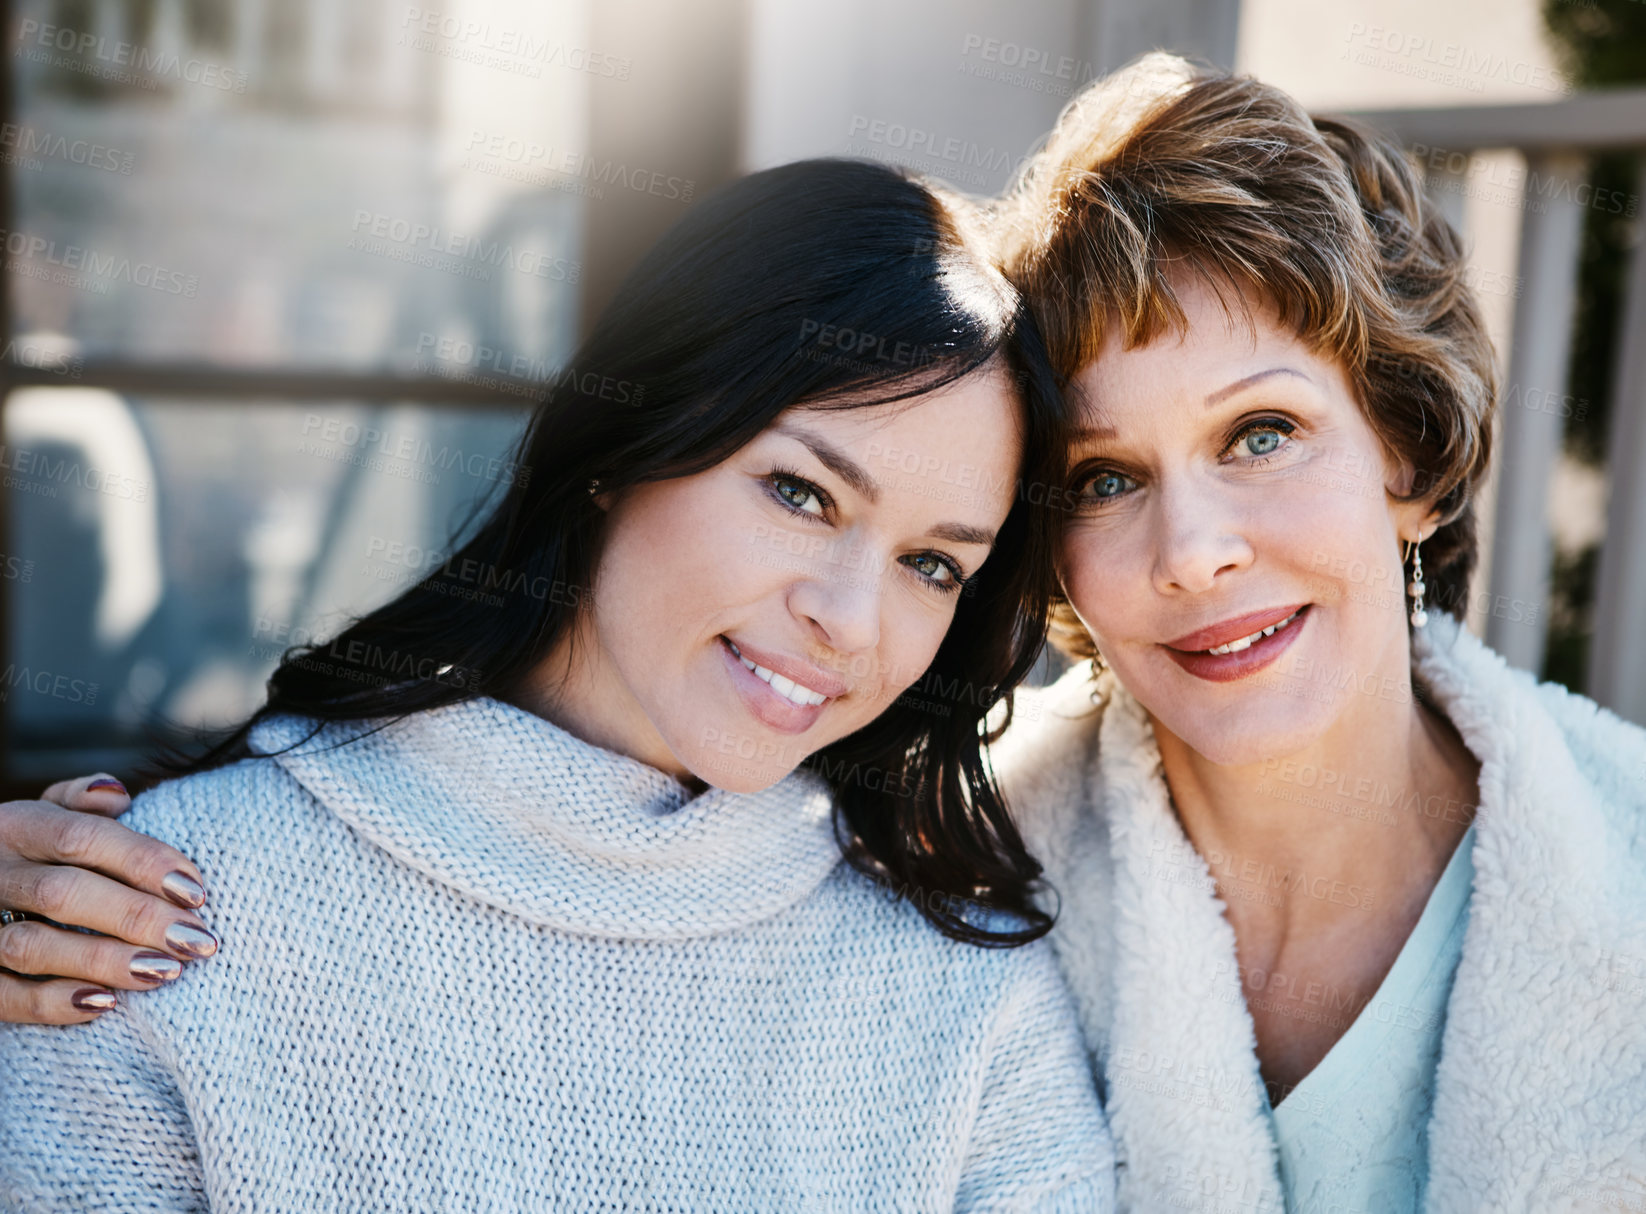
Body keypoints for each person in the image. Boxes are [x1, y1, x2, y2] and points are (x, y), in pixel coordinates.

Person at [0, 158, 1115, 1211]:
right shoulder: (148, 912)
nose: (850, 618)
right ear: (624, 446)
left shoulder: (965, 999)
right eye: (800, 493)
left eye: (932, 564)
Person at [988, 53, 1646, 1212]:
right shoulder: (955, 884)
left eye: (1259, 432)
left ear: (1411, 456)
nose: (1192, 550)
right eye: (1101, 478)